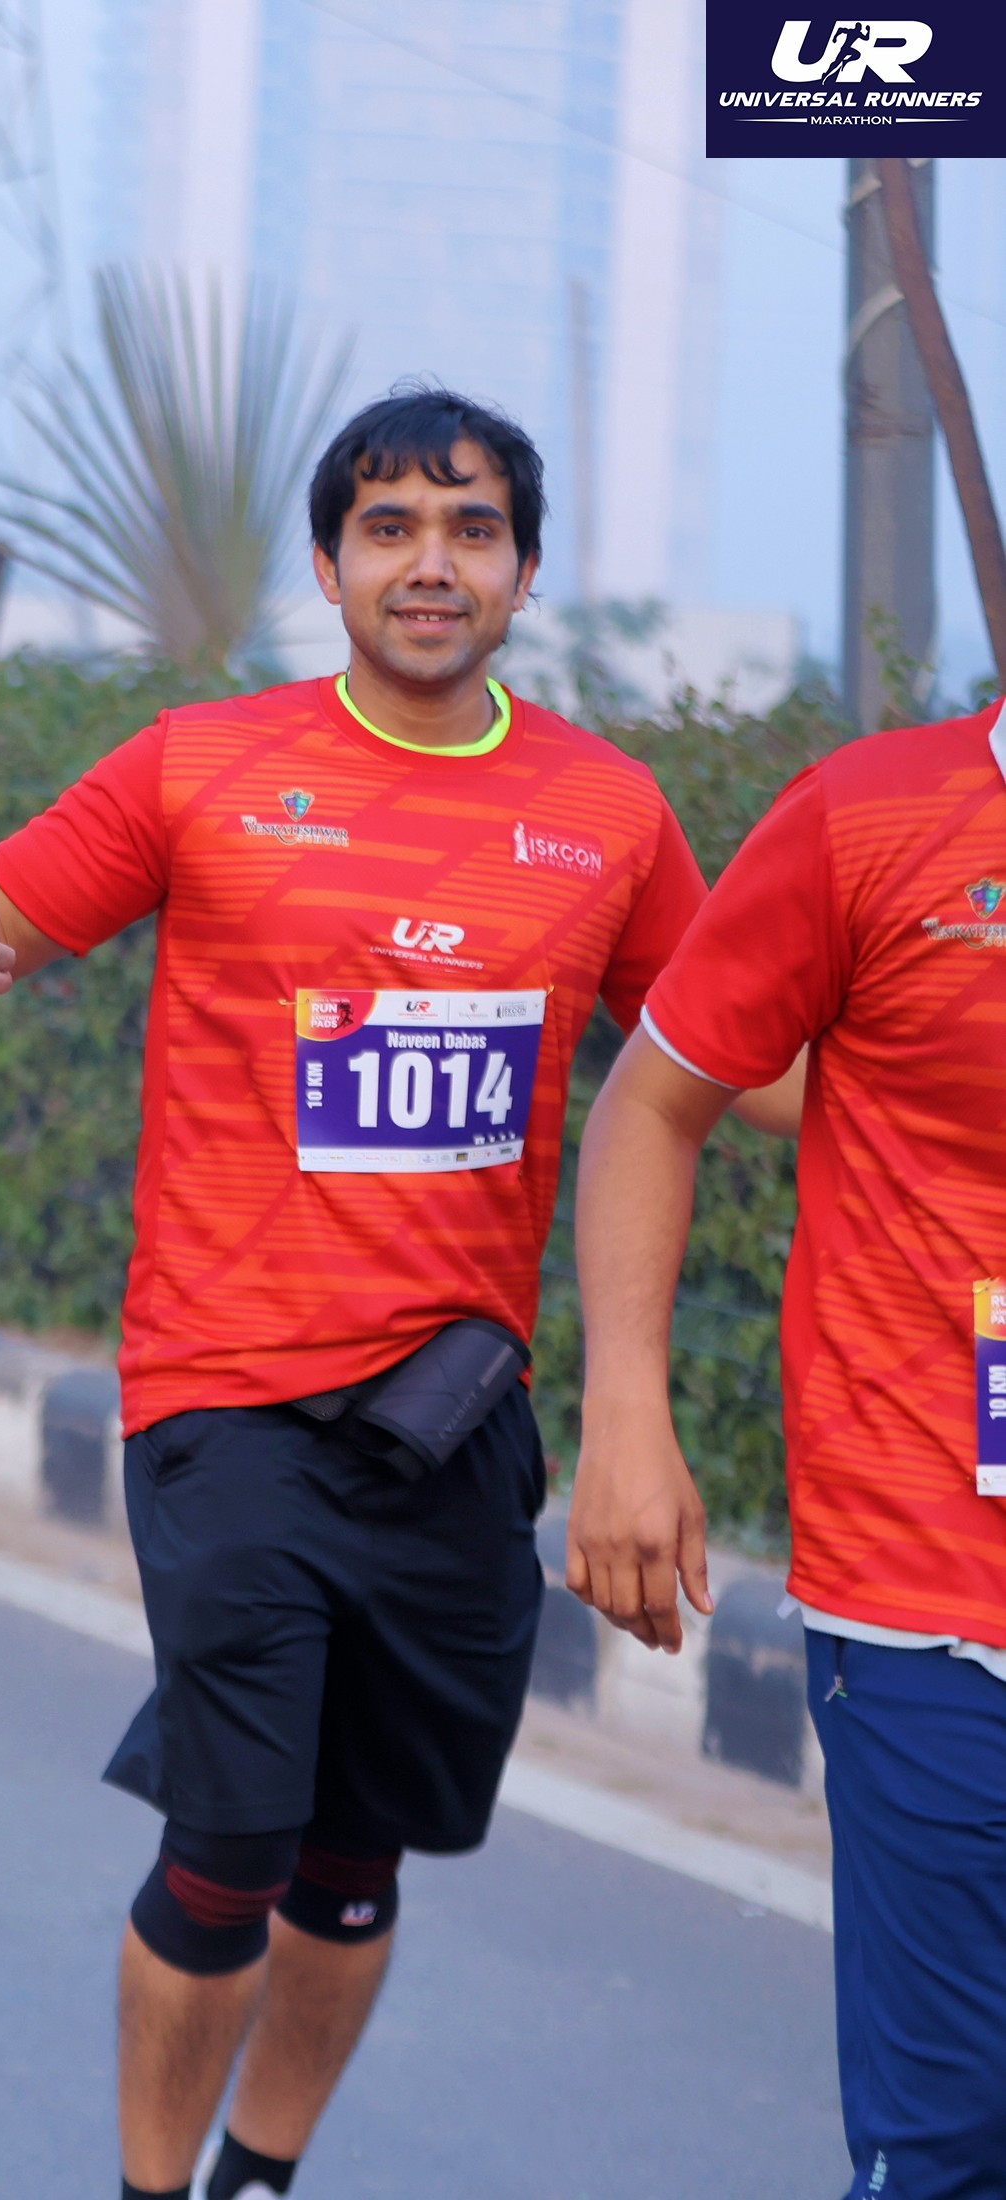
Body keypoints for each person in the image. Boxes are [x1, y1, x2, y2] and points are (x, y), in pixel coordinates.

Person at [0, 387, 789, 2200]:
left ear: (524, 571)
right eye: (391, 528)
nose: (430, 563)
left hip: (457, 1417)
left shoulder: (607, 813)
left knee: (356, 1864)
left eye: (470, 529)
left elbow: (733, 1068)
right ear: (330, 565)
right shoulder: (200, 767)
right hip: (224, 1398)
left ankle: (258, 2178)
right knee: (230, 1844)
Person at [568, 702, 1000, 2197]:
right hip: (936, 1595)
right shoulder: (869, 818)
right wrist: (627, 1411)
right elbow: (657, 1099)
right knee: (959, 2143)